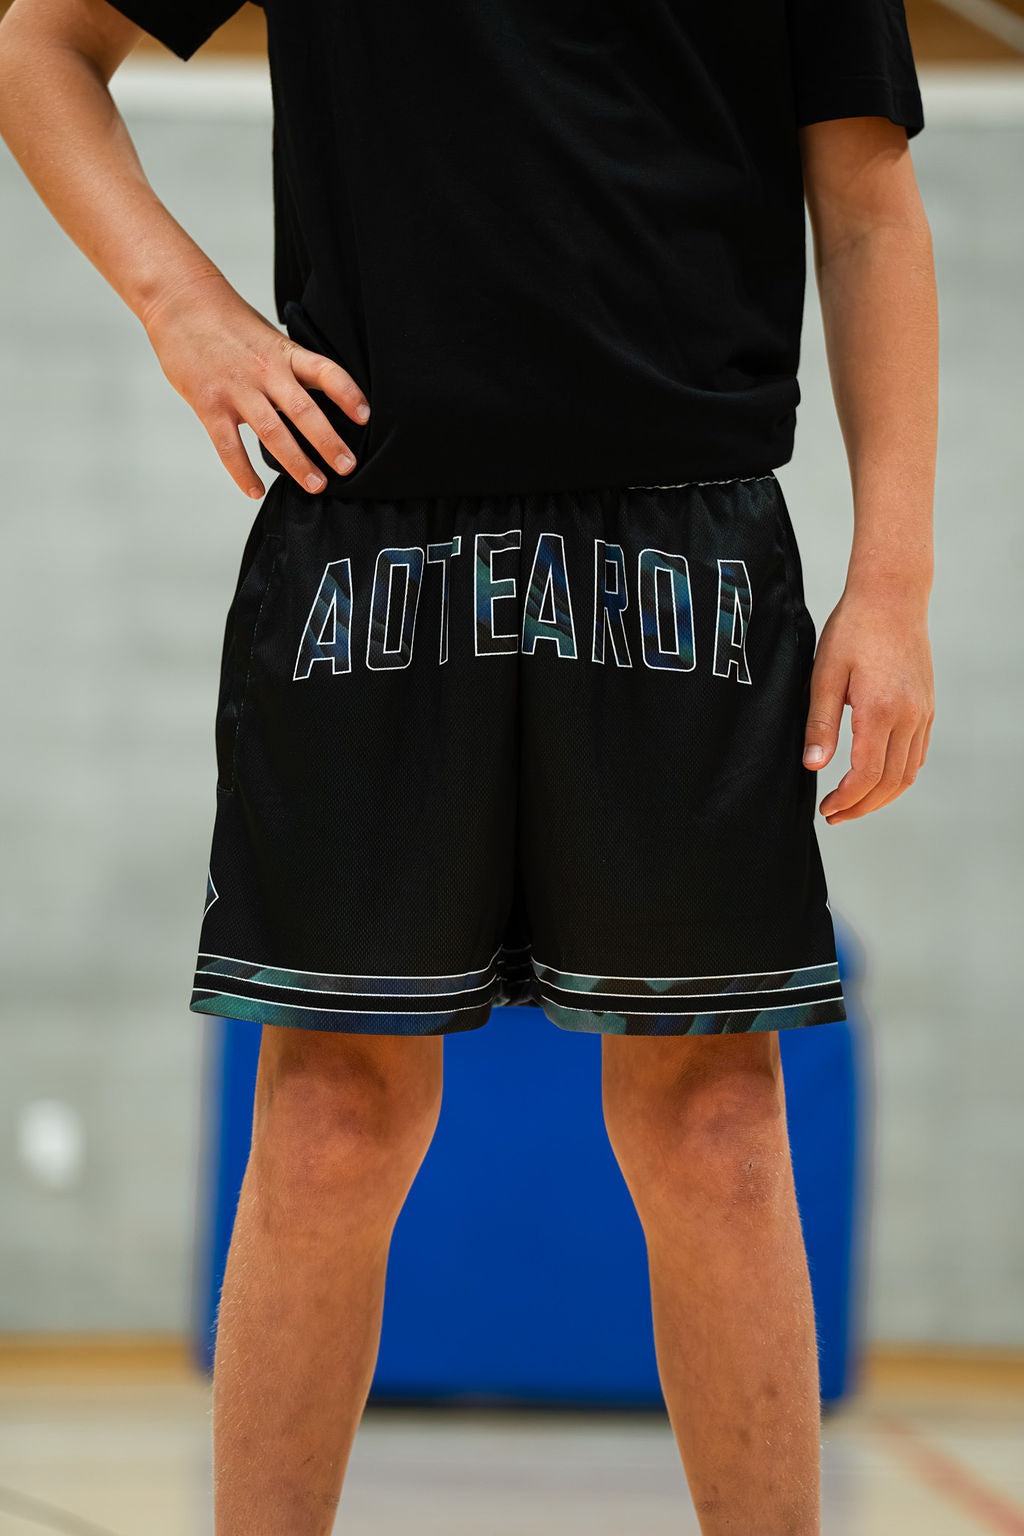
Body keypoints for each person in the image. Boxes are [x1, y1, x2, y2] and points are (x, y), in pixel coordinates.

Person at [0, 0, 937, 1527]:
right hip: (373, 539)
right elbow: (36, 47)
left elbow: (872, 204)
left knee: (716, 1122)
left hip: (684, 544)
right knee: (325, 1123)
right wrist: (184, 308)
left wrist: (889, 583)